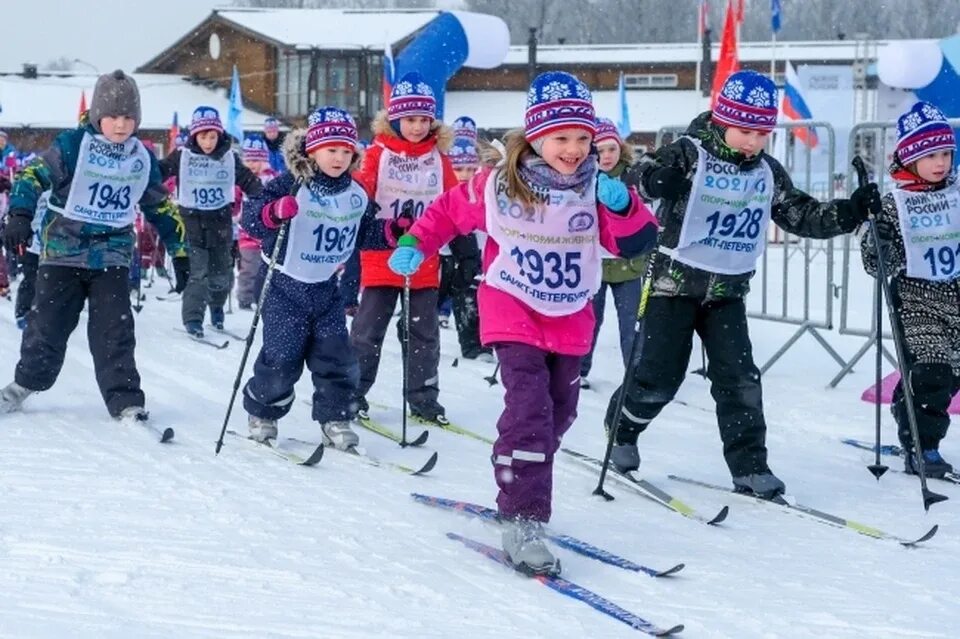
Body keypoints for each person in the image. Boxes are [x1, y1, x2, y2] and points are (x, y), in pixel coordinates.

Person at [388, 71, 657, 575]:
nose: (575, 149)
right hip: (511, 306)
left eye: (583, 138)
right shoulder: (499, 184)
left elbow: (638, 243)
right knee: (530, 409)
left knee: (558, 412)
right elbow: (448, 212)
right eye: (562, 138)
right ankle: (525, 516)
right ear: (535, 136)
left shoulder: (597, 190)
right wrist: (413, 244)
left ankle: (520, 464)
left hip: (571, 313)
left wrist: (625, 208)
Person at [603, 70, 876, 498]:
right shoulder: (689, 152)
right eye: (744, 130)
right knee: (658, 377)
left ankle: (750, 465)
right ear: (722, 120)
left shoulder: (767, 171)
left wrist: (850, 212)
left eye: (762, 132)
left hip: (726, 295)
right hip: (671, 288)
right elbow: (639, 170)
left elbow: (800, 214)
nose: (752, 141)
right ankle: (622, 429)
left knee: (740, 379)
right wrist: (655, 181)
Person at [0, 70, 189, 420]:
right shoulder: (72, 145)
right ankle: (23, 385)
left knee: (114, 330)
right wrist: (21, 216)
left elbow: (159, 205)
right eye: (113, 116)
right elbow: (32, 176)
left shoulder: (141, 158)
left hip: (111, 254)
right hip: (62, 252)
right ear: (97, 115)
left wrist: (179, 251)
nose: (120, 125)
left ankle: (126, 401)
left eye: (129, 117)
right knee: (48, 326)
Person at [241, 106, 388, 449]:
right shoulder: (289, 183)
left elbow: (363, 231)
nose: (338, 158)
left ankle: (335, 416)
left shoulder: (355, 193)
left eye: (345, 150)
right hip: (282, 284)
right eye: (330, 150)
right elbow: (250, 219)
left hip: (325, 289)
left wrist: (391, 232)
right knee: (282, 355)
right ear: (312, 150)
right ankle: (263, 411)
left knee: (337, 355)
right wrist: (273, 213)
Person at [350, 72, 458, 425]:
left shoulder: (438, 158)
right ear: (396, 119)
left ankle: (424, 397)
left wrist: (458, 240)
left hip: (424, 260)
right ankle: (353, 392)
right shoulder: (377, 153)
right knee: (368, 332)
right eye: (410, 119)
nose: (417, 127)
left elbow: (454, 201)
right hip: (382, 257)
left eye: (424, 120)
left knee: (424, 334)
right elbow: (358, 195)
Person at [860, 101, 959, 478]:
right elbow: (874, 262)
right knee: (933, 371)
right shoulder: (894, 203)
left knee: (951, 376)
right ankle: (923, 445)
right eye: (931, 155)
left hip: (956, 296)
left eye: (946, 154)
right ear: (910, 158)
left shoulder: (957, 193)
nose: (941, 163)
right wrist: (879, 241)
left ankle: (908, 405)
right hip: (918, 301)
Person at [161, 106, 263, 337]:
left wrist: (266, 198)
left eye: (213, 136)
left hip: (220, 225)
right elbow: (160, 172)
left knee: (222, 274)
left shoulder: (229, 158)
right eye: (203, 136)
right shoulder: (182, 156)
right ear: (195, 136)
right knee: (199, 274)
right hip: (193, 226)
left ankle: (216, 308)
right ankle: (193, 319)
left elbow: (249, 181)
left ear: (219, 136)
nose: (208, 142)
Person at [580, 117, 648, 389]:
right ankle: (579, 370)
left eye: (612, 149)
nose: (606, 156)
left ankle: (636, 377)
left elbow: (645, 213)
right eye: (600, 149)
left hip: (627, 264)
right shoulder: (582, 177)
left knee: (631, 324)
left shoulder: (633, 176)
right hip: (593, 264)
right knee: (589, 322)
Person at [438, 135, 489, 360]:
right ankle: (413, 334)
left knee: (470, 293)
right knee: (433, 298)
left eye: (471, 168)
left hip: (474, 254)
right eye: (458, 168)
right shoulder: (443, 189)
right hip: (441, 255)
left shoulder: (481, 191)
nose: (465, 175)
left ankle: (475, 345)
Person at [237, 135, 278, 309]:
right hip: (246, 234)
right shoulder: (240, 180)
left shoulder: (272, 179)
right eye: (248, 160)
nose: (252, 164)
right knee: (249, 268)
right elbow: (235, 201)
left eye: (256, 159)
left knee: (267, 268)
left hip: (268, 234)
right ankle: (245, 297)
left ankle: (264, 297)